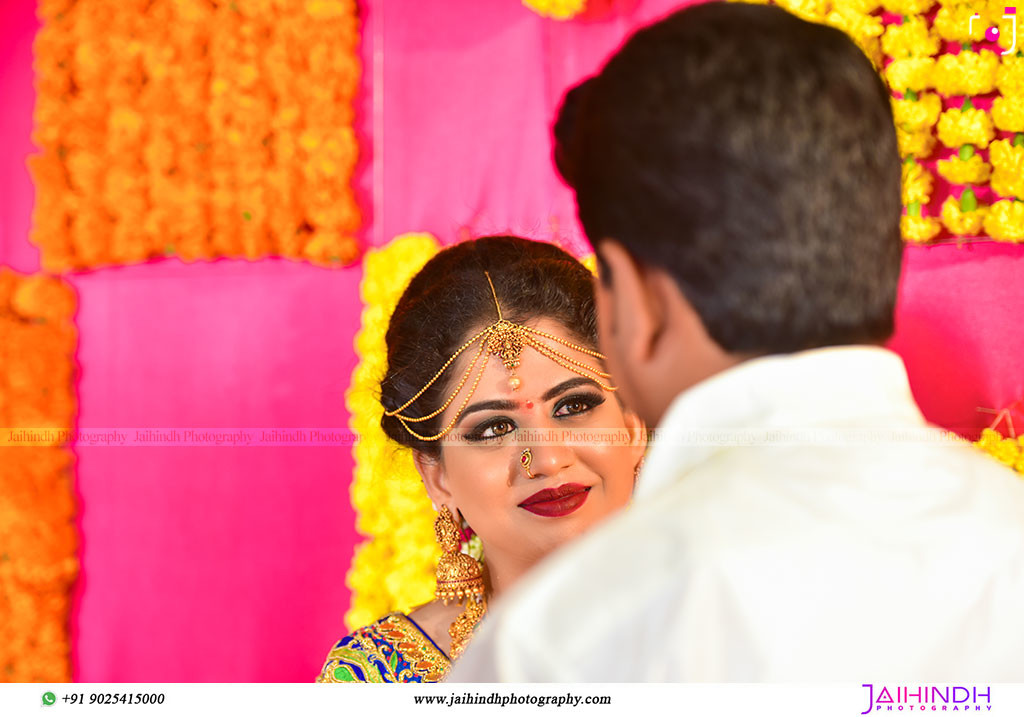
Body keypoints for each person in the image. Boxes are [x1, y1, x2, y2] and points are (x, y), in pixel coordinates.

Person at [450, 3, 1024, 681]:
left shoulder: (573, 637)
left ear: (637, 300)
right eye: (491, 426)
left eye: (573, 404)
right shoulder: (1006, 533)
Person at [316, 235, 646, 682]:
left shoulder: (738, 628)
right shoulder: (377, 679)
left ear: (632, 424)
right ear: (437, 477)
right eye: (494, 429)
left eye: (573, 406)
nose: (547, 460)